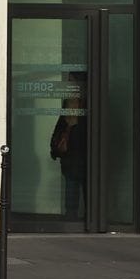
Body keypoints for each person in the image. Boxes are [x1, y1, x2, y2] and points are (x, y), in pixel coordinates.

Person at [49, 78, 87, 221]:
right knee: (73, 187)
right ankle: (74, 216)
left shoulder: (81, 111)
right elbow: (59, 130)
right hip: (74, 156)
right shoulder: (74, 112)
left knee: (73, 188)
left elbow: (58, 130)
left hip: (77, 156)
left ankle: (73, 216)